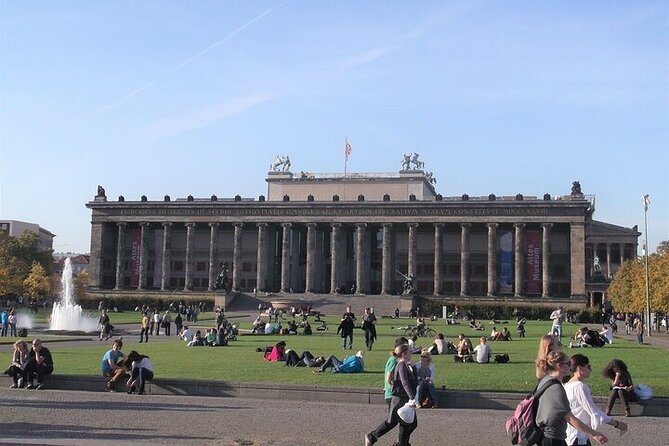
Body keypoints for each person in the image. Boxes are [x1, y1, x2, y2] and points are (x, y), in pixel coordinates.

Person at [535, 351, 608, 446]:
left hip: (546, 434)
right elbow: (570, 418)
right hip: (553, 437)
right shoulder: (557, 388)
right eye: (568, 363)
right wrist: (594, 434)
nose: (570, 366)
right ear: (559, 366)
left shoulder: (545, 380)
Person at [565, 354, 628, 445]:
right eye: (588, 366)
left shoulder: (568, 385)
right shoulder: (580, 387)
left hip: (572, 434)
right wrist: (617, 424)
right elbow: (594, 411)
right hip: (578, 436)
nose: (591, 370)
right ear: (580, 368)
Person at [365, 344, 418, 446]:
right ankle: (372, 437)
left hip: (405, 398)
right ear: (404, 354)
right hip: (400, 399)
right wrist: (412, 398)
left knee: (409, 424)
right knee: (398, 423)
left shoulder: (407, 365)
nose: (411, 353)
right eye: (409, 352)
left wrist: (414, 368)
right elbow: (404, 382)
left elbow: (414, 381)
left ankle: (400, 443)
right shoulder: (401, 365)